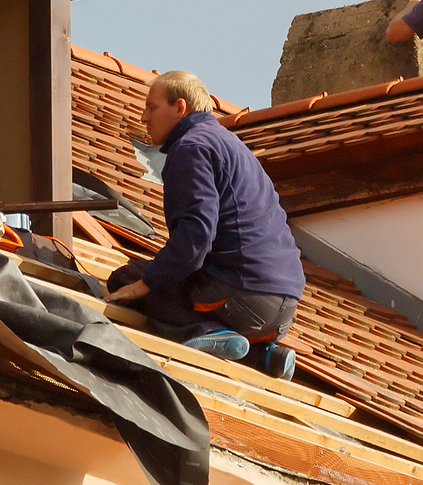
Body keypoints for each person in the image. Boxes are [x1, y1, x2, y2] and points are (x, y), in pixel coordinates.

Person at [106, 70, 308, 381]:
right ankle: (263, 357)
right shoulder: (230, 144)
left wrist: (145, 284)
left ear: (180, 108)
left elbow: (195, 236)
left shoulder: (190, 148)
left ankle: (205, 331)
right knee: (163, 279)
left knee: (126, 280)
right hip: (283, 307)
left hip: (241, 292)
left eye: (152, 107)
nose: (144, 117)